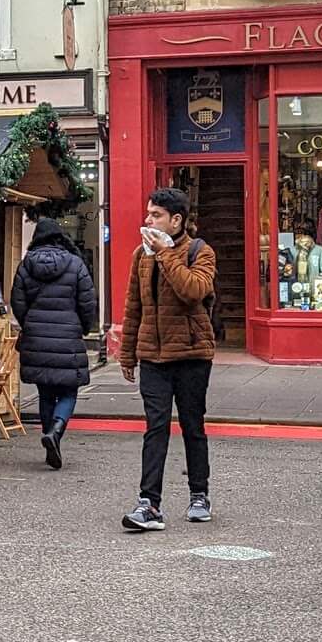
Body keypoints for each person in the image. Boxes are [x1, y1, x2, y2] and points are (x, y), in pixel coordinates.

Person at [119, 186, 218, 533]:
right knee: (155, 428)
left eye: (156, 214)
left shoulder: (199, 251)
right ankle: (149, 504)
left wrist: (166, 254)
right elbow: (134, 307)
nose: (148, 220)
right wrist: (127, 353)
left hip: (192, 354)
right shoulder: (140, 256)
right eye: (148, 213)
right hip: (154, 356)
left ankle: (199, 495)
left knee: (193, 425)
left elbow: (193, 290)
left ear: (176, 220)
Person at [10, 215, 98, 470]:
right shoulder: (75, 264)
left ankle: (50, 433)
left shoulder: (26, 265)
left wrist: (30, 325)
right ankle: (56, 431)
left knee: (45, 391)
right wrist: (81, 327)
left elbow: (18, 301)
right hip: (68, 334)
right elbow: (87, 301)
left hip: (36, 336)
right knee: (69, 390)